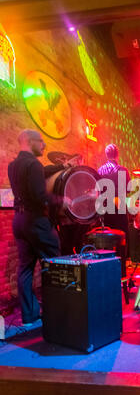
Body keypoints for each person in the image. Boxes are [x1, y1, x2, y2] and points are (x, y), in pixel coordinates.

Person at [8, 129, 64, 326]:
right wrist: (63, 200)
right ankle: (56, 312)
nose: (44, 145)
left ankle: (29, 315)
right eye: (41, 141)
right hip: (36, 222)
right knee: (54, 264)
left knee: (25, 268)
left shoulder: (13, 166)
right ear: (30, 142)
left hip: (19, 220)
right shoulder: (34, 165)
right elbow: (40, 196)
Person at [97, 144, 130, 240]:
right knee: (122, 236)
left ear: (106, 155)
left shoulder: (100, 170)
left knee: (107, 238)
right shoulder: (123, 170)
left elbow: (98, 191)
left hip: (105, 210)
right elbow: (128, 189)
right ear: (117, 155)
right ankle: (123, 254)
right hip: (120, 209)